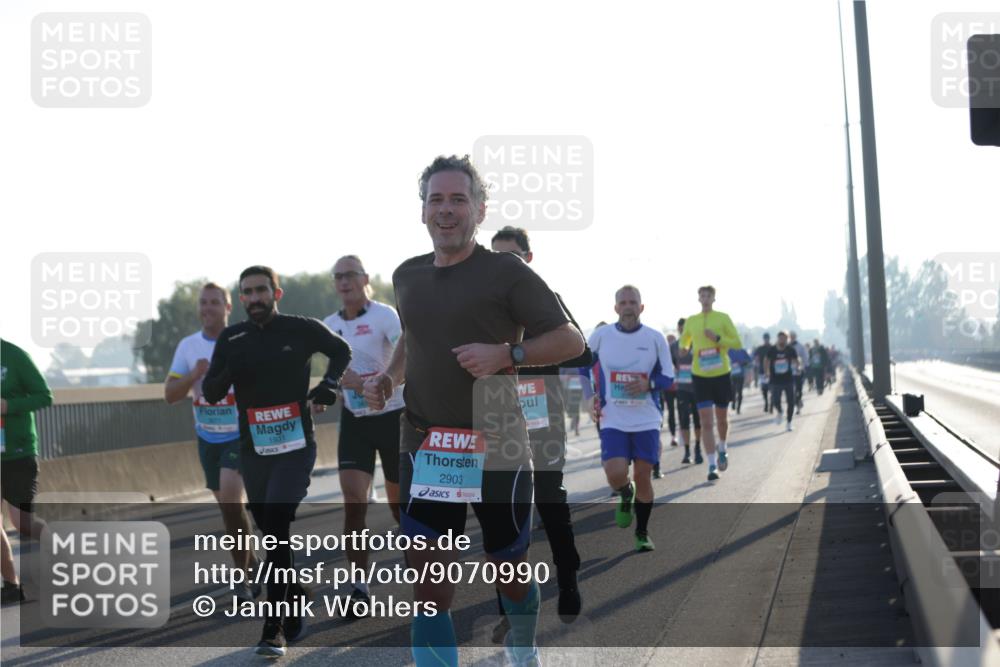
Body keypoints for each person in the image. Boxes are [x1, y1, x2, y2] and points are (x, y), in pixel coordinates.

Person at [362, 156, 584, 667]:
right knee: (427, 578)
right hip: (426, 443)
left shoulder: (506, 272)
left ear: (479, 209)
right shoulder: (406, 275)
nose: (446, 210)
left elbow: (570, 339)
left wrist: (510, 354)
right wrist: (388, 377)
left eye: (458, 199)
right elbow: (413, 339)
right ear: (422, 211)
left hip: (497, 441)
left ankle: (523, 644)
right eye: (435, 200)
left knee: (507, 565)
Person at [203, 265, 352, 657]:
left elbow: (341, 350)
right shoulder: (232, 338)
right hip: (254, 451)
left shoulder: (300, 328)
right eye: (247, 293)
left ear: (276, 293)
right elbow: (213, 391)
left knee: (276, 522)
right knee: (271, 532)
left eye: (261, 291)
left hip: (296, 445)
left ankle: (274, 629)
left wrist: (328, 385)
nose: (254, 299)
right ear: (241, 299)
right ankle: (295, 590)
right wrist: (223, 373)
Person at [490, 226, 591, 639]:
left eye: (511, 257)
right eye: (495, 256)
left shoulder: (545, 299)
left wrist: (524, 353)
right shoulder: (485, 302)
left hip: (542, 413)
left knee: (549, 501)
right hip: (496, 414)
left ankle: (567, 578)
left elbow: (583, 349)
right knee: (504, 513)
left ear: (528, 259)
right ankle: (507, 612)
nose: (502, 264)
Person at [165, 283, 259, 602]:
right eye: (203, 303)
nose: (207, 308)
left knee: (232, 499)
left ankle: (242, 577)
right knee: (229, 511)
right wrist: (193, 375)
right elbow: (169, 395)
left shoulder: (243, 341)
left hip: (240, 434)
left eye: (214, 303)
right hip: (208, 437)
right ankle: (250, 559)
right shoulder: (188, 347)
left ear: (228, 307)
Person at [322, 255, 405, 614]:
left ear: (365, 279)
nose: (344, 282)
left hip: (393, 417)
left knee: (400, 507)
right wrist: (341, 382)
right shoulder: (327, 325)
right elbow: (329, 374)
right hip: (356, 421)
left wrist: (382, 378)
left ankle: (423, 566)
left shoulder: (384, 315)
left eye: (350, 275)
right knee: (354, 503)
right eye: (338, 277)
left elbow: (408, 352)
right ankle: (359, 586)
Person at [588, 285, 673, 552]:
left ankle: (642, 532)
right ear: (615, 308)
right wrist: (588, 397)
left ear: (641, 307)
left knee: (644, 476)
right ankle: (625, 492)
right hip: (613, 417)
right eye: (623, 302)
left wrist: (648, 384)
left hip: (646, 418)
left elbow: (668, 377)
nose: (628, 306)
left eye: (633, 302)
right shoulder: (601, 335)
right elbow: (582, 365)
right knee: (615, 473)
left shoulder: (655, 338)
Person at [1, 339, 52, 605]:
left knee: (22, 522)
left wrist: (9, 406)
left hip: (18, 452)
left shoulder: (13, 355)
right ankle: (11, 584)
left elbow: (45, 395)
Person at [679, 286, 741, 482]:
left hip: (721, 373)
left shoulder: (722, 318)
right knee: (706, 421)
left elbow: (737, 343)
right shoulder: (692, 321)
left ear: (714, 298)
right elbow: (684, 342)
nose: (705, 299)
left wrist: (718, 339)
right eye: (702, 296)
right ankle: (712, 465)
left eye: (708, 296)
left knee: (721, 419)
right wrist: (683, 349)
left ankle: (722, 446)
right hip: (700, 375)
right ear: (698, 299)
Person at [673, 318, 702, 465]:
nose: (683, 332)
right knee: (684, 420)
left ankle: (697, 448)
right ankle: (687, 451)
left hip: (697, 387)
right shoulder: (674, 346)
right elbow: (670, 364)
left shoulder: (697, 344)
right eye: (681, 329)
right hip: (682, 388)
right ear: (678, 330)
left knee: (698, 420)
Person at [765, 331, 801, 431]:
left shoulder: (790, 349)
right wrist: (766, 371)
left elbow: (796, 360)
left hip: (788, 379)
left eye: (784, 338)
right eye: (780, 338)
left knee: (791, 401)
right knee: (775, 400)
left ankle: (789, 423)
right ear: (778, 338)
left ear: (787, 339)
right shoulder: (772, 350)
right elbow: (766, 361)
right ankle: (780, 411)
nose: (782, 340)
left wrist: (798, 367)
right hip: (775, 380)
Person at [727, 347, 751, 415]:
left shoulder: (742, 351)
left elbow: (749, 359)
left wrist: (744, 362)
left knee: (740, 391)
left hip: (741, 374)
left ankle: (738, 408)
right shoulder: (728, 351)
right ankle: (733, 403)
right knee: (733, 390)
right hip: (731, 375)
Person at [789, 332, 808, 414]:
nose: (792, 338)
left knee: (798, 389)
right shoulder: (787, 346)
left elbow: (805, 356)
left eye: (793, 336)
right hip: (788, 371)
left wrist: (803, 366)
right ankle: (795, 404)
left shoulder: (800, 346)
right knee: (790, 390)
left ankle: (798, 402)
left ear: (795, 337)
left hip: (798, 370)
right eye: (791, 336)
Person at [753, 333, 772, 413]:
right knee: (764, 389)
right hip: (762, 371)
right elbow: (756, 358)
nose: (766, 340)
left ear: (769, 339)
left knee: (772, 389)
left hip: (772, 372)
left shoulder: (772, 348)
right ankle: (766, 403)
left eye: (767, 338)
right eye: (765, 338)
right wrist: (756, 363)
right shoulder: (760, 348)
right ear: (763, 339)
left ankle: (771, 404)